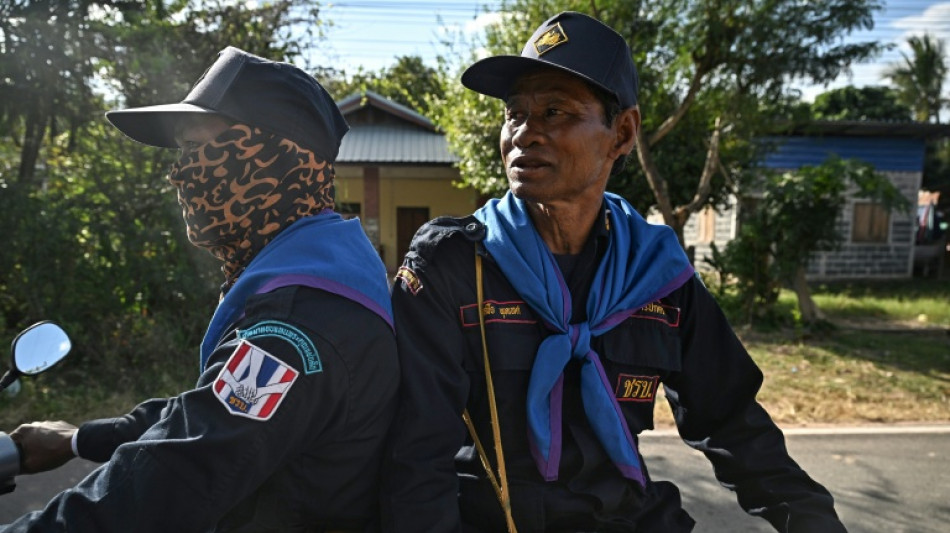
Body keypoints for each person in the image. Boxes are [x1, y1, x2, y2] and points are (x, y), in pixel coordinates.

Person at [381, 11, 846, 533]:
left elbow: (732, 420)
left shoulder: (656, 273)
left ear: (622, 132)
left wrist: (811, 519)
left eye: (555, 111)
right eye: (514, 114)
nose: (525, 134)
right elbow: (417, 456)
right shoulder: (453, 266)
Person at [3, 46, 398, 532]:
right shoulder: (320, 270)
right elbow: (207, 412)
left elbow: (171, 479)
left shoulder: (295, 326)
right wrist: (75, 439)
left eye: (198, 150)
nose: (179, 172)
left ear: (271, 157)